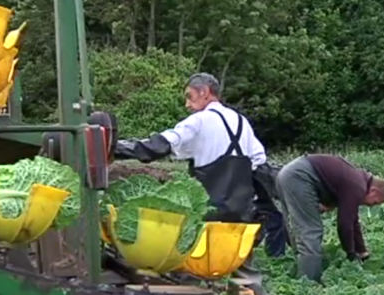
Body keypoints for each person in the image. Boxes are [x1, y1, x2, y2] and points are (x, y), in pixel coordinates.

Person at [114, 72, 269, 295]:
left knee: (189, 267)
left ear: (204, 92)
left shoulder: (199, 121)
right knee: (243, 268)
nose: (187, 104)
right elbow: (259, 161)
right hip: (241, 212)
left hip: (208, 211)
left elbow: (163, 145)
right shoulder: (241, 122)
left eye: (189, 96)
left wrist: (115, 148)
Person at [274, 154, 384, 283]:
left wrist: (361, 250)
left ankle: (302, 271)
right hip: (299, 176)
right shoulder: (358, 186)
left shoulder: (358, 179)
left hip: (288, 173)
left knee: (297, 227)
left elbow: (353, 220)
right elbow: (344, 224)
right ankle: (308, 283)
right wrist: (351, 253)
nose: (370, 206)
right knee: (311, 230)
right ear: (373, 191)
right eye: (374, 202)